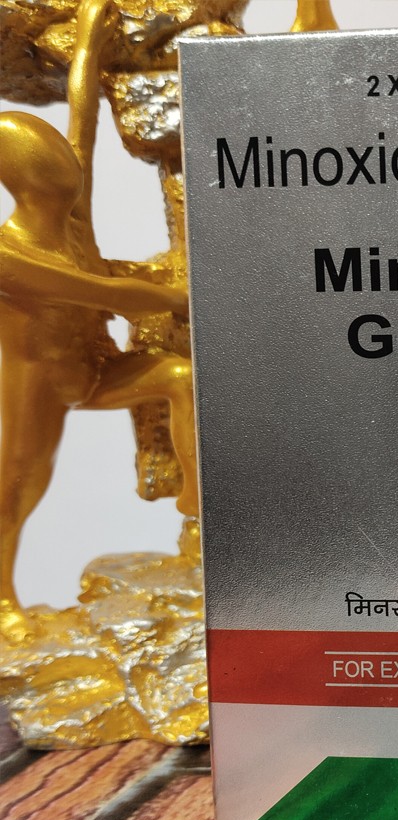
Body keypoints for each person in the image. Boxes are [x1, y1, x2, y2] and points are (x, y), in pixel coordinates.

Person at [0, 0, 197, 644]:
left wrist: (90, 33)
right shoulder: (10, 256)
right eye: (57, 173)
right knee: (21, 485)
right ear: (29, 183)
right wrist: (173, 297)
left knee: (179, 379)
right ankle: (2, 598)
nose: (72, 177)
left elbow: (82, 113)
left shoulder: (71, 219)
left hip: (93, 370)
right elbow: (94, 292)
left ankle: (198, 504)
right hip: (39, 391)